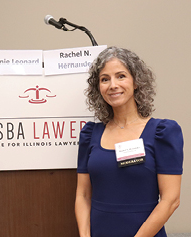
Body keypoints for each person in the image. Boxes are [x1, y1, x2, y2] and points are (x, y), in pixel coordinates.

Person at [75, 46, 183, 237]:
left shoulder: (162, 133)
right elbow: (83, 195)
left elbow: (171, 199)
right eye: (105, 79)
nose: (113, 85)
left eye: (121, 76)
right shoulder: (90, 134)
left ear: (136, 82)